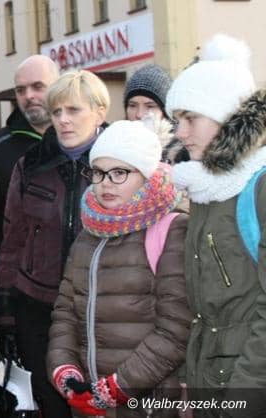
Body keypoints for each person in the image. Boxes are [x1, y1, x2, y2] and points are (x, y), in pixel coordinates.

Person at [47, 120, 192, 417]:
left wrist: (119, 386)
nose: (105, 183)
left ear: (146, 175)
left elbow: (176, 328)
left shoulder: (171, 229)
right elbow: (65, 312)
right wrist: (64, 369)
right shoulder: (88, 235)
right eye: (98, 172)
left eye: (119, 173)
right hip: (89, 399)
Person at [0, 70, 110, 418]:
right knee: (51, 402)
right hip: (38, 305)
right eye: (56, 111)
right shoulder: (30, 165)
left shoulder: (119, 166)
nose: (63, 119)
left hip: (100, 308)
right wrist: (6, 315)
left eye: (73, 110)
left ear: (100, 113)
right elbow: (12, 240)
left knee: (98, 404)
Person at [165, 34, 266, 416]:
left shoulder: (258, 186)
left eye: (191, 118)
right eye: (177, 120)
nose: (180, 132)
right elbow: (203, 312)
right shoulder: (205, 188)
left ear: (225, 117)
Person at [0, 54, 60, 257]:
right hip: (20, 268)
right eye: (21, 90)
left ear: (58, 87)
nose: (28, 96)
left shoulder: (81, 138)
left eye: (38, 87)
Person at [123, 64, 188, 163]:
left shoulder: (185, 152)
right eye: (132, 105)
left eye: (150, 106)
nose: (139, 114)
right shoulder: (117, 147)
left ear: (166, 111)